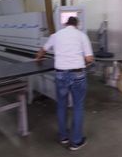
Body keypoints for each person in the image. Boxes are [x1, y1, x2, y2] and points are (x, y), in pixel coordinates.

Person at [35, 16, 94, 150]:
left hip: (60, 74)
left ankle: (63, 137)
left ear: (65, 24)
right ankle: (76, 141)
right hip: (77, 74)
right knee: (78, 106)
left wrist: (38, 58)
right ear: (77, 25)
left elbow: (43, 50)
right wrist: (81, 63)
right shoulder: (81, 35)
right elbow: (89, 59)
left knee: (61, 105)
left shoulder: (56, 35)